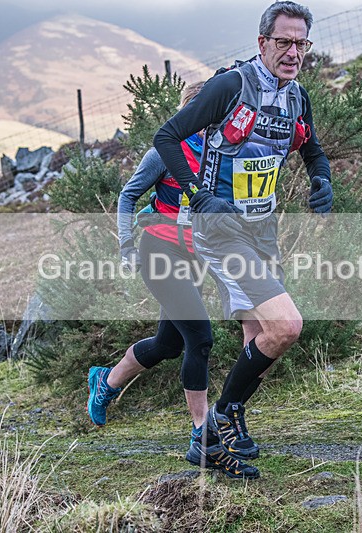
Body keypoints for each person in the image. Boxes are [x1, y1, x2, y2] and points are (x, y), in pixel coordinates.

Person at [153, 1, 332, 476]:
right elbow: (166, 137)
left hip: (262, 233)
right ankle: (219, 419)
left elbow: (313, 151)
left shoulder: (296, 96)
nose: (293, 52)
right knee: (286, 326)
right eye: (284, 42)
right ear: (262, 43)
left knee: (259, 335)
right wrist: (197, 195)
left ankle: (222, 431)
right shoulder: (231, 86)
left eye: (302, 43)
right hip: (219, 231)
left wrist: (322, 181)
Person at [86, 82, 259, 480]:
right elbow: (128, 196)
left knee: (167, 344)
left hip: (197, 257)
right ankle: (203, 437)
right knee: (199, 338)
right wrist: (126, 246)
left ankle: (105, 382)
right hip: (159, 252)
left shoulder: (223, 155)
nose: (211, 117)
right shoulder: (165, 151)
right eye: (203, 110)